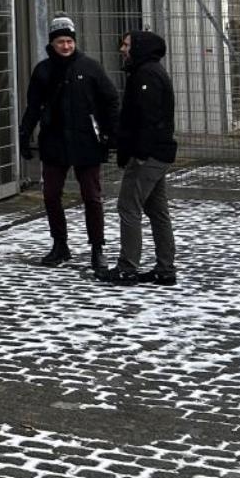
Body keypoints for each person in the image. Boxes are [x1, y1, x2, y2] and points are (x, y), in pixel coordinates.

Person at [19, 15, 119, 273]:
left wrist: (110, 134)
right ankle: (60, 244)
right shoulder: (43, 70)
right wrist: (25, 133)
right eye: (60, 41)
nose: (66, 46)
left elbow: (110, 100)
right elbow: (33, 106)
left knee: (92, 197)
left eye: (69, 41)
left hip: (87, 140)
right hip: (54, 140)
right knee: (51, 195)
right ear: (52, 43)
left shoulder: (90, 67)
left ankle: (97, 248)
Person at [99, 29, 178, 287]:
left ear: (140, 47)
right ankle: (165, 269)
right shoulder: (149, 72)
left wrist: (139, 154)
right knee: (157, 210)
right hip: (157, 153)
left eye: (126, 44)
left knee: (128, 207)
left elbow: (147, 119)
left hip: (148, 155)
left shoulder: (146, 75)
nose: (122, 49)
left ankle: (127, 267)